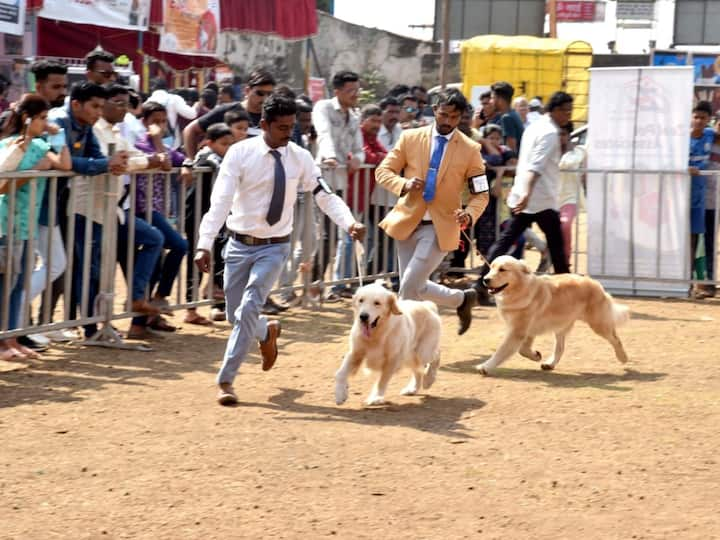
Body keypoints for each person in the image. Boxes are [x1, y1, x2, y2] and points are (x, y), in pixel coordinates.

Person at [194, 94, 366, 406]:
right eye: (282, 128)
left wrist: (349, 222)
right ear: (264, 125)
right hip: (238, 244)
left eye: (292, 127)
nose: (289, 133)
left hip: (275, 247)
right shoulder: (239, 154)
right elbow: (219, 202)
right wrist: (204, 244)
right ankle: (265, 331)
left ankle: (226, 380)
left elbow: (323, 194)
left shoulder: (300, 157)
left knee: (248, 305)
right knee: (236, 314)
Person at [375, 89, 488, 335]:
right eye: (444, 115)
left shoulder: (471, 149)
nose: (448, 122)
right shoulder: (410, 138)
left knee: (408, 286)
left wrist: (469, 214)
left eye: (455, 118)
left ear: (461, 118)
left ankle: (399, 338)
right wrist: (403, 184)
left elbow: (482, 193)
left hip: (441, 227)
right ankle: (462, 300)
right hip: (407, 223)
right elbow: (383, 172)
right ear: (434, 110)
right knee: (418, 286)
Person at [474, 91, 574, 293]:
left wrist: (524, 192)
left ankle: (479, 285)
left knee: (505, 242)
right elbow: (536, 166)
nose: (568, 116)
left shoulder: (535, 128)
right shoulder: (549, 133)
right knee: (555, 247)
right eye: (566, 111)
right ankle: (570, 290)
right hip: (539, 198)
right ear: (555, 110)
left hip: (525, 195)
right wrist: (528, 192)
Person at [0, 94, 71, 360]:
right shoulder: (9, 145)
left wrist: (59, 136)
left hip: (27, 224)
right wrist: (33, 172)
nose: (46, 123)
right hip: (8, 222)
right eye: (42, 118)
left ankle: (12, 338)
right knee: (7, 283)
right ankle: (3, 342)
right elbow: (3, 186)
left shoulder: (41, 146)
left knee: (19, 284)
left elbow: (65, 164)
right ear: (27, 118)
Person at [92, 84, 165, 341]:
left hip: (116, 209)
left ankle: (135, 302)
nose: (124, 109)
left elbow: (133, 156)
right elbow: (118, 163)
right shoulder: (96, 130)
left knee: (154, 239)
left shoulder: (116, 132)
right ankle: (93, 325)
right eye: (119, 103)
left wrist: (154, 158)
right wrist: (150, 161)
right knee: (93, 268)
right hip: (93, 209)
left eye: (126, 103)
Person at [133, 101, 188, 326]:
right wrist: (156, 139)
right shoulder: (139, 146)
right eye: (155, 121)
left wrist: (187, 166)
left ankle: (146, 317)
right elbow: (165, 163)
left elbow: (179, 159)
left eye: (164, 121)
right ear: (144, 122)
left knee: (155, 263)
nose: (161, 126)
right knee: (179, 245)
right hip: (142, 209)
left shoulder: (164, 146)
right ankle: (160, 297)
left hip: (158, 209)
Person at [312, 70, 365, 301]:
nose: (355, 94)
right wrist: (330, 156)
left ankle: (317, 284)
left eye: (357, 89)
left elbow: (359, 148)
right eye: (350, 90)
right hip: (319, 177)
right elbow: (324, 134)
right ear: (337, 91)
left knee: (332, 235)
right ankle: (306, 284)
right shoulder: (323, 107)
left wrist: (358, 159)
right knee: (317, 235)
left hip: (340, 181)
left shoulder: (354, 116)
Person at [183, 123, 235, 325]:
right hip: (196, 215)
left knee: (221, 257)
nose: (228, 148)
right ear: (209, 143)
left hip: (216, 217)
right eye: (224, 144)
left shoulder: (224, 157)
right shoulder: (205, 156)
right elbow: (212, 162)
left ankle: (216, 300)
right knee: (195, 261)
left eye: (231, 144)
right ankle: (190, 308)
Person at [182, 68, 276, 158]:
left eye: (269, 94)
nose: (265, 98)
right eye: (260, 93)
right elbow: (190, 130)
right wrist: (191, 162)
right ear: (247, 91)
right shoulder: (227, 110)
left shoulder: (274, 116)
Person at [688, 101, 716, 299]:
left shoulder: (709, 135)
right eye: (695, 116)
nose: (698, 121)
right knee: (686, 239)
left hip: (700, 198)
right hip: (680, 196)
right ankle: (687, 281)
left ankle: (702, 283)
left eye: (702, 118)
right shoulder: (682, 138)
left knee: (698, 239)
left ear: (708, 120)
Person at [557, 122, 586, 268]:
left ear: (569, 135)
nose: (560, 137)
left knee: (565, 225)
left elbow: (568, 163)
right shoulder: (549, 151)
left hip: (570, 197)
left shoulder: (578, 151)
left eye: (563, 134)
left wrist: (568, 150)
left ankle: (565, 261)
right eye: (558, 134)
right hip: (551, 198)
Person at [148, 77, 197, 149]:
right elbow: (192, 114)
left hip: (153, 143)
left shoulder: (147, 102)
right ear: (166, 88)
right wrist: (197, 105)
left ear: (152, 89)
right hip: (172, 143)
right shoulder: (174, 99)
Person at [491, 81, 524, 153]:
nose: (491, 101)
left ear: (500, 100)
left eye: (493, 98)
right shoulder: (513, 114)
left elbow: (511, 150)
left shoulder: (507, 118)